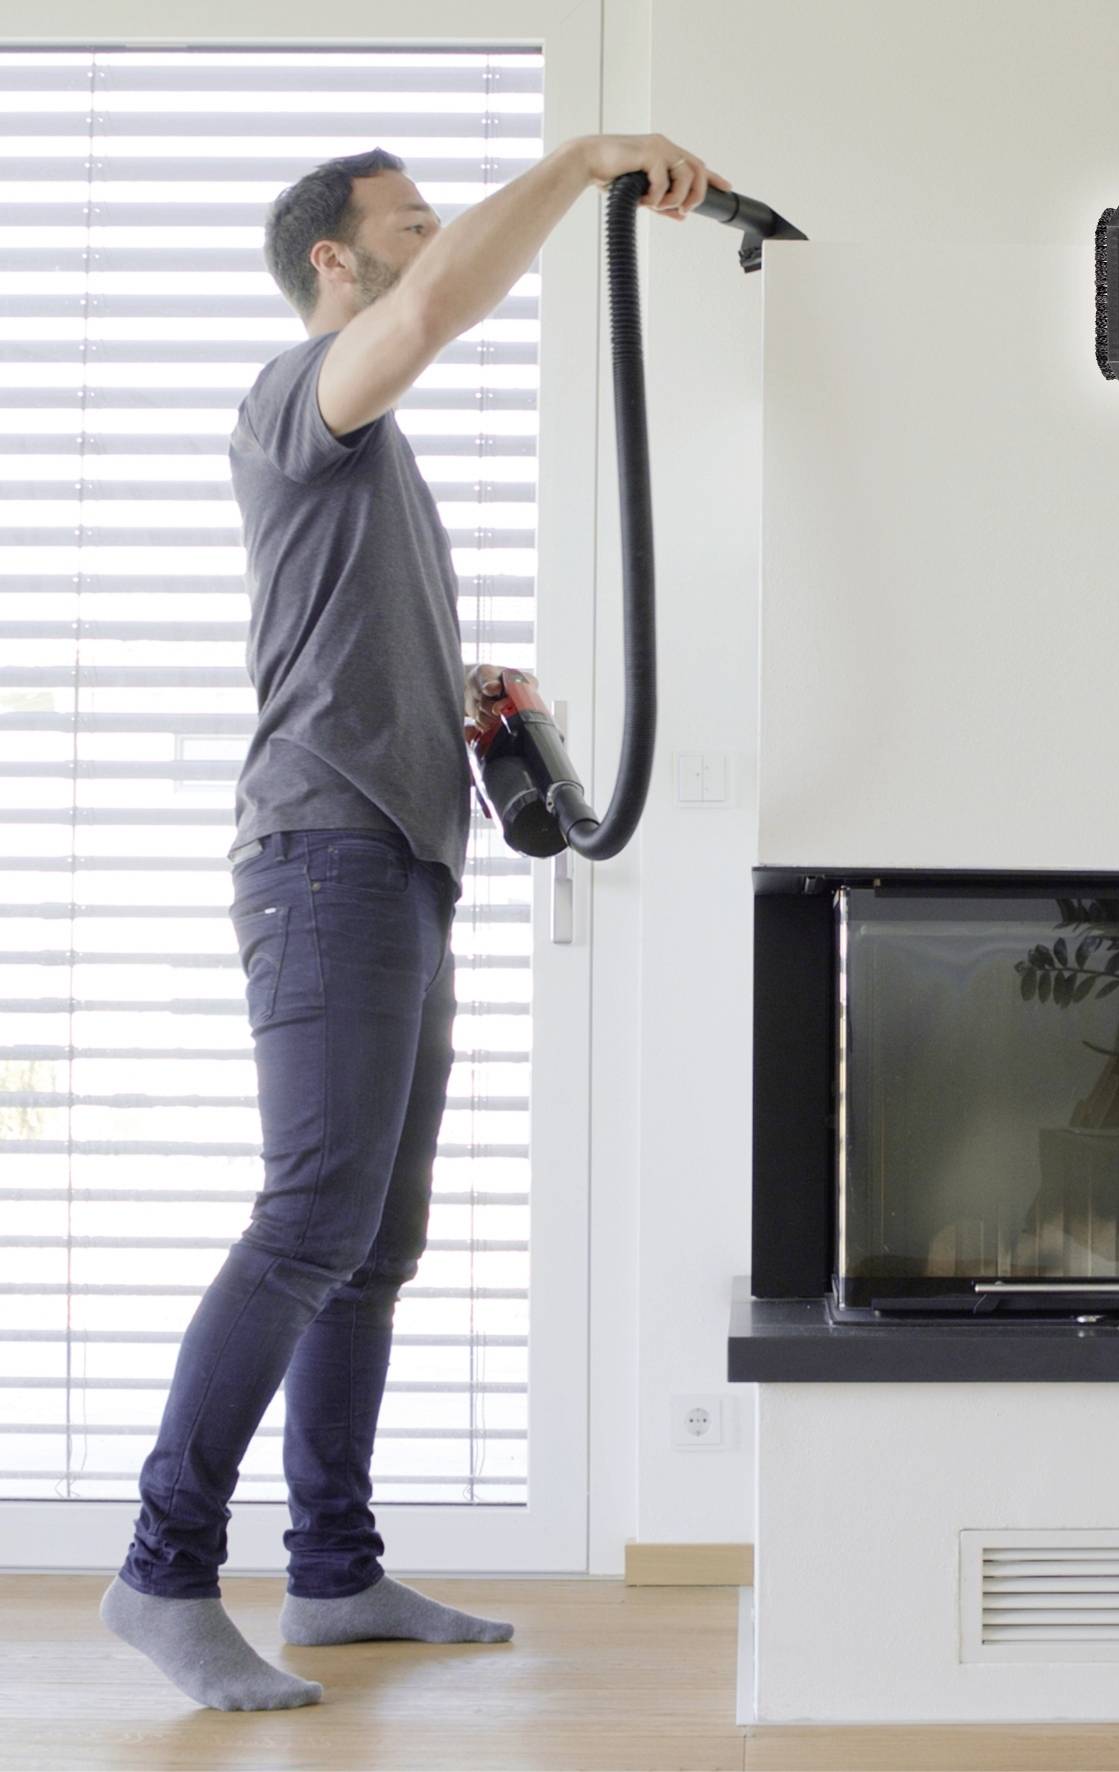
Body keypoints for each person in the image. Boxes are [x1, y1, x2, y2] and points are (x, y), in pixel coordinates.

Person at [99, 131, 728, 1713]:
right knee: (313, 1216)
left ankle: (334, 1573)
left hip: (399, 860)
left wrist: (462, 698)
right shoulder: (296, 401)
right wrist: (585, 159)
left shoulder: (376, 466)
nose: (435, 245)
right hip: (322, 859)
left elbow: (339, 652)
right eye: (409, 226)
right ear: (336, 261)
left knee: (375, 1246)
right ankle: (162, 1572)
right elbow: (442, 307)